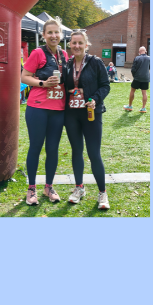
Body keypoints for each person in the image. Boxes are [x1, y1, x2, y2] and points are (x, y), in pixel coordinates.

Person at [20, 19, 68, 205]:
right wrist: (42, 83)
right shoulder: (37, 52)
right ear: (44, 35)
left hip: (58, 110)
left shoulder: (64, 54)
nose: (53, 36)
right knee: (36, 147)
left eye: (56, 32)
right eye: (50, 33)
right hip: (38, 108)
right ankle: (31, 189)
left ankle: (48, 187)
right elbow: (24, 76)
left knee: (53, 149)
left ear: (60, 35)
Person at [63, 31, 111, 209]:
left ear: (86, 45)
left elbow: (106, 85)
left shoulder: (95, 62)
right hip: (72, 114)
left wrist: (95, 99)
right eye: (73, 43)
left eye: (80, 43)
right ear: (70, 45)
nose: (76, 46)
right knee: (76, 151)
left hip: (91, 113)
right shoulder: (67, 65)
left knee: (93, 153)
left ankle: (102, 193)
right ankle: (79, 188)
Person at [124, 46, 150, 113]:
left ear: (139, 52)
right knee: (144, 92)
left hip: (137, 77)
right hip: (146, 78)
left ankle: (129, 106)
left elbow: (133, 69)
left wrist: (134, 76)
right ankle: (143, 108)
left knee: (132, 90)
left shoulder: (137, 58)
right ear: (145, 51)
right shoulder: (149, 58)